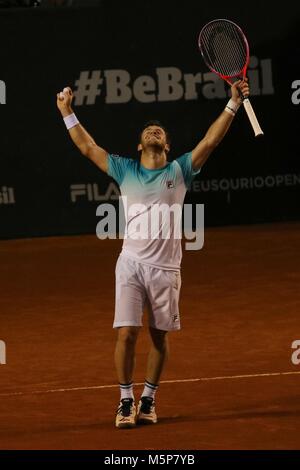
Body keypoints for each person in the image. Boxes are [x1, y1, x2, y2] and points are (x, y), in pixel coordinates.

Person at [56, 79, 250, 429]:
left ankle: (149, 398)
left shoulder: (180, 170)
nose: (153, 131)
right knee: (127, 333)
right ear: (139, 144)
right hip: (130, 264)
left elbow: (211, 140)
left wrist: (233, 103)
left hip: (166, 269)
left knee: (159, 337)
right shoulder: (125, 169)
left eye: (158, 131)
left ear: (166, 144)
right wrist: (68, 112)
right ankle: (125, 400)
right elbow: (88, 147)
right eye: (148, 130)